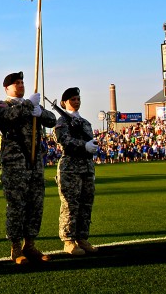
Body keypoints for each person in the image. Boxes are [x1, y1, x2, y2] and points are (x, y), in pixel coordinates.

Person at [0, 71, 56, 265]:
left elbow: (52, 120)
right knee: (16, 206)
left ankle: (30, 244)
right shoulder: (3, 105)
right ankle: (15, 247)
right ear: (7, 88)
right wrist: (29, 105)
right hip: (15, 163)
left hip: (35, 162)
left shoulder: (31, 105)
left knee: (35, 205)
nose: (21, 85)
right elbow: (6, 118)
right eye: (16, 83)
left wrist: (41, 111)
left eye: (22, 82)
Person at [55, 87, 99, 256]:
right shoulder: (62, 122)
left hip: (86, 167)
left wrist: (92, 146)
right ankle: (68, 240)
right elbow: (64, 140)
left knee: (85, 204)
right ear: (64, 102)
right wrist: (83, 145)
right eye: (72, 99)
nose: (76, 101)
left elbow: (90, 139)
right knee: (70, 205)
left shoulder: (85, 122)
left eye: (78, 98)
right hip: (70, 168)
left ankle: (82, 238)